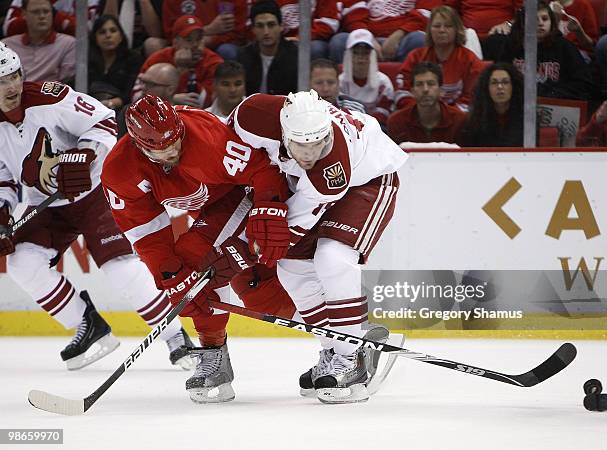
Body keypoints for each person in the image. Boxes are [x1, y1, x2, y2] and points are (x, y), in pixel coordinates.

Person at [0, 43, 194, 372]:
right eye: (3, 80)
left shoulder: (50, 97)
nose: (13, 86)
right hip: (44, 205)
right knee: (20, 262)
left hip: (92, 194)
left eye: (15, 76)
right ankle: (87, 325)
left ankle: (176, 336)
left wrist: (87, 154)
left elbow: (104, 121)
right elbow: (4, 176)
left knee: (121, 267)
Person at [101, 95, 297, 403]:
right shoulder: (120, 171)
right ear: (138, 144)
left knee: (196, 262)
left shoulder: (206, 138)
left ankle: (214, 357)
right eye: (161, 149)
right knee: (260, 295)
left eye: (176, 141)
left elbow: (262, 169)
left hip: (245, 193)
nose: (173, 151)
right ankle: (347, 334)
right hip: (213, 210)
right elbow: (146, 233)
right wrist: (171, 275)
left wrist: (268, 207)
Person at [227, 90, 407, 404]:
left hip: (369, 180)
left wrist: (257, 250)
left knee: (332, 258)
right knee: (291, 268)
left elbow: (293, 226)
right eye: (301, 145)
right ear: (284, 131)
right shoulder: (251, 114)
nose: (310, 153)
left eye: (318, 144)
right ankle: (334, 351)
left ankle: (351, 357)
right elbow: (231, 159)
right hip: (304, 188)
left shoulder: (332, 165)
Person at [495, 1, 593, 101]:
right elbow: (499, 78)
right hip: (518, 101)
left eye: (545, 19)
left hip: (556, 102)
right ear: (523, 23)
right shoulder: (511, 45)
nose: (540, 23)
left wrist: (551, 93)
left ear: (551, 22)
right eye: (534, 19)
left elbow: (584, 84)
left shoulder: (564, 47)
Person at [395, 5, 485, 112]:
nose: (442, 30)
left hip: (456, 120)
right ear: (429, 30)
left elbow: (472, 98)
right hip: (418, 117)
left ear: (457, 30)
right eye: (437, 26)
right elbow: (402, 91)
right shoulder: (415, 57)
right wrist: (419, 112)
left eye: (448, 26)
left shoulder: (470, 60)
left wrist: (444, 116)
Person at [131, 15, 223, 108]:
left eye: (199, 39)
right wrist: (171, 98)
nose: (195, 45)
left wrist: (184, 71)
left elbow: (209, 102)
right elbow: (136, 97)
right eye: (189, 40)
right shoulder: (158, 59)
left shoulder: (213, 62)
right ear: (175, 42)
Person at [329, 0, 440, 63]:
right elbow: (353, 14)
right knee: (339, 41)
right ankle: (344, 93)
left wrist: (397, 36)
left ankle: (405, 89)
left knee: (419, 40)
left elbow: (426, 14)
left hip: (404, 38)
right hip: (365, 38)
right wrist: (368, 38)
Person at [388, 62, 465, 144]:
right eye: (419, 84)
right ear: (412, 91)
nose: (425, 89)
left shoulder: (460, 120)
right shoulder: (397, 122)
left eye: (431, 84)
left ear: (441, 90)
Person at [1, 0, 75, 84]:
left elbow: (66, 84)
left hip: (51, 95)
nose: (42, 16)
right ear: (24, 14)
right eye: (35, 12)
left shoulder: (69, 44)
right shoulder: (6, 46)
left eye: (46, 11)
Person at [237, 0, 297, 96]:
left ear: (281, 26)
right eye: (260, 26)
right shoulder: (243, 57)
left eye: (271, 25)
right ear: (253, 29)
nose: (266, 32)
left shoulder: (295, 57)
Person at [460, 62, 525, 147]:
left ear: (514, 86)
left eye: (505, 82)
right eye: (494, 83)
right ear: (486, 88)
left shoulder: (527, 119)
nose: (500, 87)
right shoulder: (474, 121)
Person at [339, 29, 394, 127]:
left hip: (376, 127)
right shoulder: (340, 82)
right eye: (356, 52)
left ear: (372, 56)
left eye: (365, 53)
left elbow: (384, 112)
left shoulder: (383, 83)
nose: (361, 57)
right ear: (348, 55)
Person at [88, 14, 143, 111]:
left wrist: (110, 103)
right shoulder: (87, 60)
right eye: (102, 32)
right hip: (89, 108)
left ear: (121, 36)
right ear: (95, 38)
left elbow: (131, 93)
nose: (108, 35)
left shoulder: (133, 59)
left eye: (113, 31)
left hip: (122, 110)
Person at [161, 0, 249, 61]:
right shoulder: (172, 1)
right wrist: (208, 30)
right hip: (185, 44)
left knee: (227, 51)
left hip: (223, 45)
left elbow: (238, 33)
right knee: (153, 44)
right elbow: (171, 35)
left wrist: (211, 40)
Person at [116, 62, 179, 137]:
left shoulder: (183, 117)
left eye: (151, 84)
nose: (144, 88)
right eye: (143, 82)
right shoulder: (129, 112)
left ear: (170, 90)